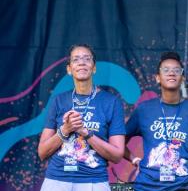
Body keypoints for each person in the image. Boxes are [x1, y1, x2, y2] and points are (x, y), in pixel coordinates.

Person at [38, 44, 126, 191]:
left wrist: (86, 133)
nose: (81, 62)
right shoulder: (59, 100)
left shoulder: (111, 102)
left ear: (94, 67)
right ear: (69, 69)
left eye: (87, 59)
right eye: (76, 59)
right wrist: (65, 129)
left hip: (94, 181)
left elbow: (117, 155)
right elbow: (42, 152)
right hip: (56, 180)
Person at [124, 51, 188, 191]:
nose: (171, 73)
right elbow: (118, 144)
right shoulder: (144, 110)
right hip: (146, 187)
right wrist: (133, 159)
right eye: (166, 70)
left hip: (182, 187)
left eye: (176, 70)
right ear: (157, 78)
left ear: (182, 78)